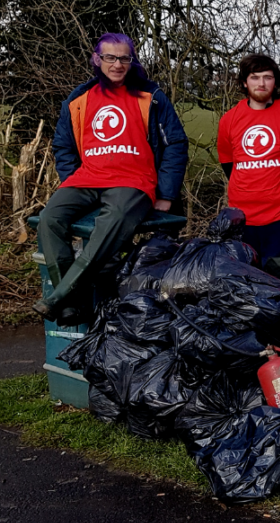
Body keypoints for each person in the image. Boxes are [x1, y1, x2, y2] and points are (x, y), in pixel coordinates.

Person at [33, 33, 188, 324]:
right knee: (49, 219)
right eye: (110, 57)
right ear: (97, 59)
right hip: (86, 178)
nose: (117, 64)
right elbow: (63, 146)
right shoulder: (78, 100)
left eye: (124, 58)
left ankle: (59, 297)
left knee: (111, 222)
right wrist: (72, 177)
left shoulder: (150, 97)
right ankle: (71, 303)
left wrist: (166, 193)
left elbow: (176, 144)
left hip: (133, 180)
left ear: (132, 61)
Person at [217, 54, 280, 294]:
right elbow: (229, 164)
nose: (261, 83)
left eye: (267, 77)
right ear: (244, 82)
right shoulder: (229, 120)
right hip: (242, 221)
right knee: (245, 285)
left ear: (276, 81)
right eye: (254, 77)